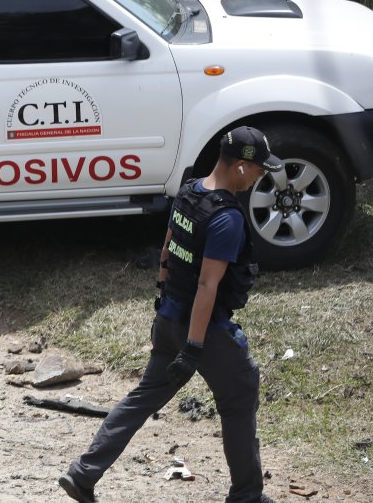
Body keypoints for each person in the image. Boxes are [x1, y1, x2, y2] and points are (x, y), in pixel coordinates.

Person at [59, 126, 282, 503]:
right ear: (241, 168)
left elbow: (167, 249)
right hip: (202, 329)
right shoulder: (226, 219)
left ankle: (83, 473)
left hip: (169, 318)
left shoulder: (190, 192)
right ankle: (247, 495)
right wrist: (194, 347)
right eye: (259, 168)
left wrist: (163, 302)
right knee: (240, 393)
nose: (261, 175)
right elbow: (208, 287)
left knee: (143, 397)